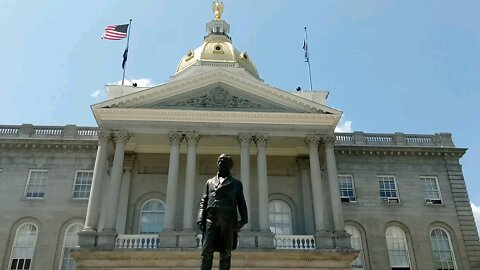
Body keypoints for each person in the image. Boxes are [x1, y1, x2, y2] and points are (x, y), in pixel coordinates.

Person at [197, 154, 248, 270]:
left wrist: (244, 219)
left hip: (228, 221)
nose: (220, 164)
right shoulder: (209, 182)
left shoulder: (236, 184)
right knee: (206, 250)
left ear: (229, 165)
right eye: (219, 161)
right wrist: (200, 217)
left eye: (223, 162)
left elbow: (241, 202)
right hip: (211, 219)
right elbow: (203, 201)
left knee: (226, 252)